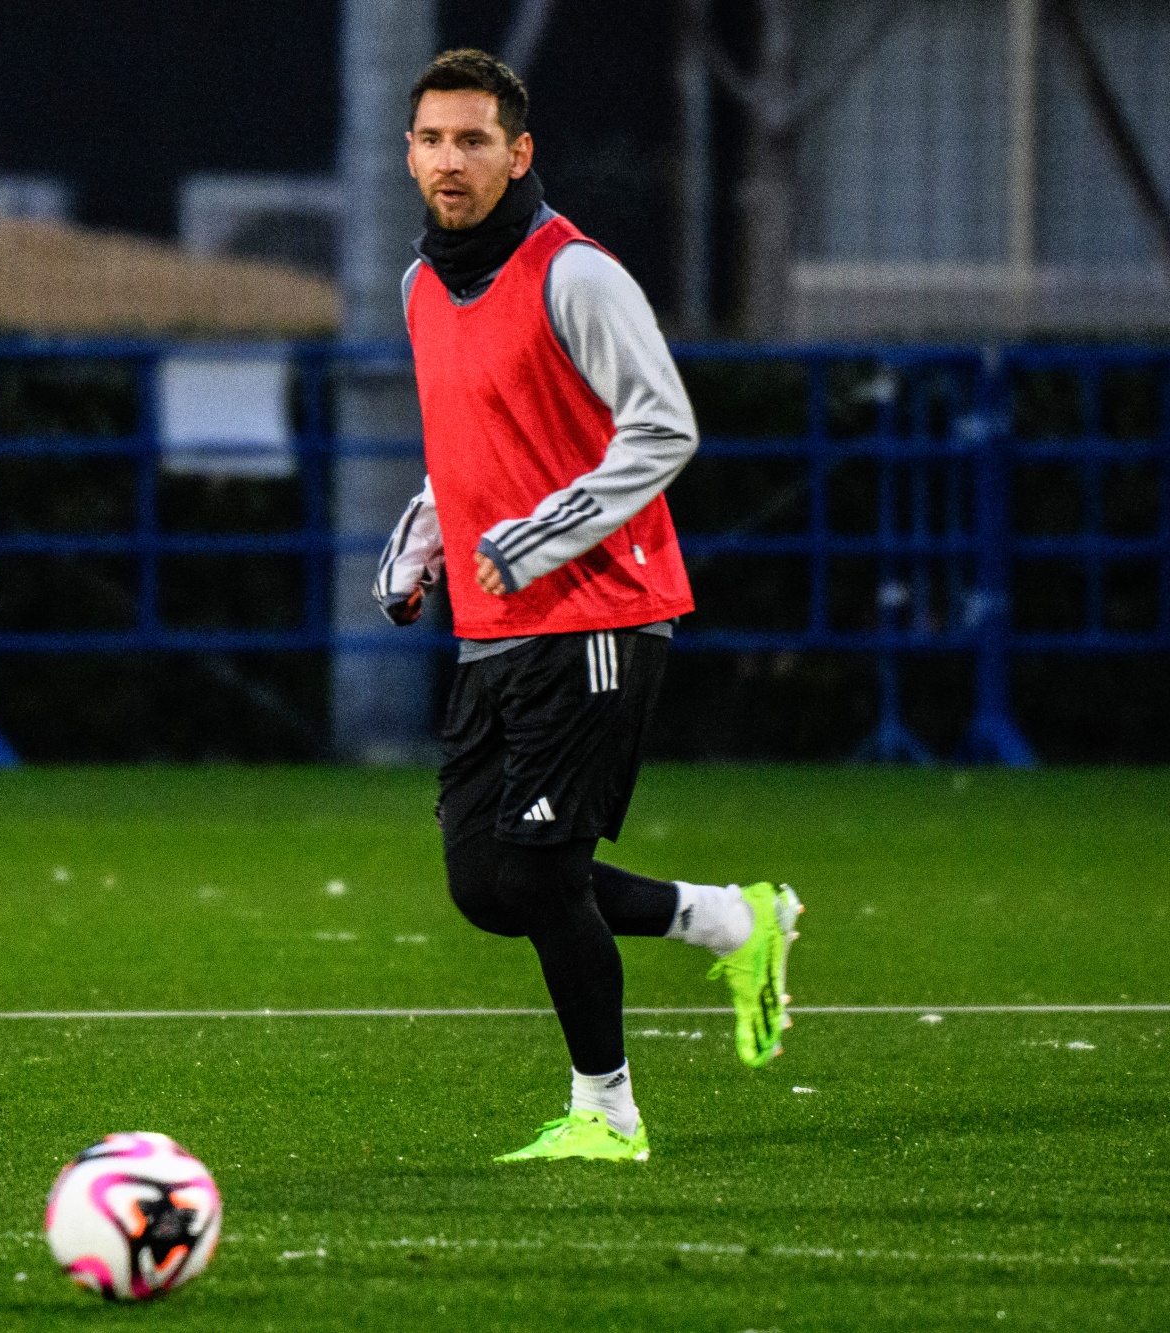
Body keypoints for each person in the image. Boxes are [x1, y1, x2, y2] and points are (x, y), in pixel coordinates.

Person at [372, 49, 803, 1163]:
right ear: (408, 154)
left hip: (600, 607)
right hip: (493, 621)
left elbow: (663, 427)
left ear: (518, 154)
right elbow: (477, 443)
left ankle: (605, 1112)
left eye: (474, 141)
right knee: (485, 884)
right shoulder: (420, 286)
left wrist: (539, 533)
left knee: (538, 872)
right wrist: (425, 535)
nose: (451, 160)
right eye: (432, 140)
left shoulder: (575, 274)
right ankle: (729, 919)